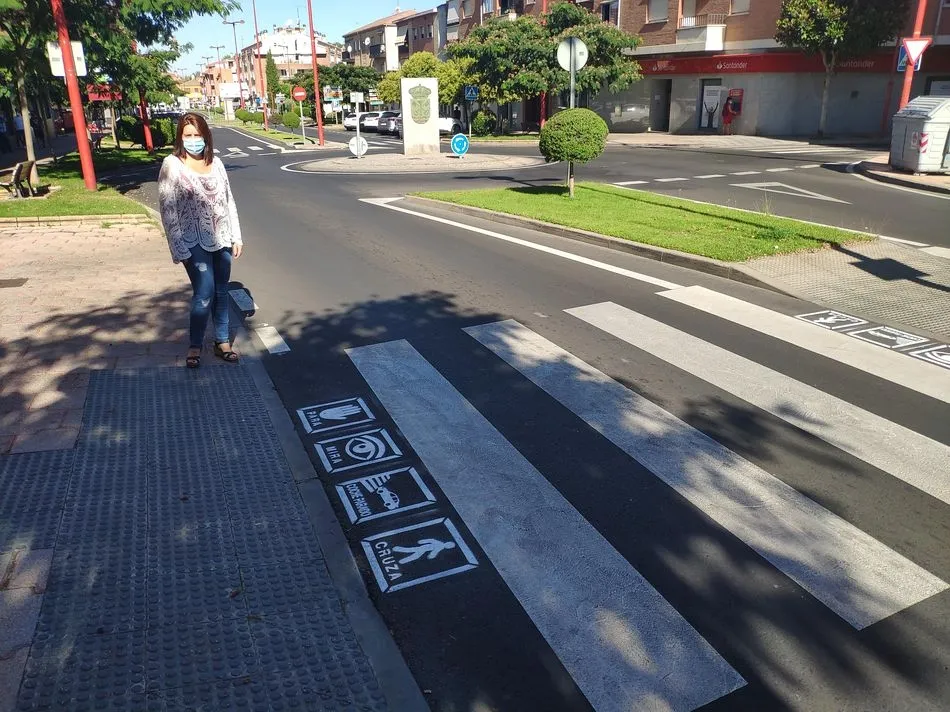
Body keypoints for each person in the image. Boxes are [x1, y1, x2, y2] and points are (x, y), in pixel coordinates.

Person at [158, 112, 243, 368]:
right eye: (188, 135)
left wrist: (236, 236)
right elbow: (167, 207)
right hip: (191, 240)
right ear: (180, 137)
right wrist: (177, 245)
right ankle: (195, 345)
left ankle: (222, 341)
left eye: (197, 135)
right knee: (204, 291)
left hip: (221, 237)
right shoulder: (171, 165)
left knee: (221, 290)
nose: (193, 140)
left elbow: (228, 200)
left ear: (206, 136)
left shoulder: (216, 163)